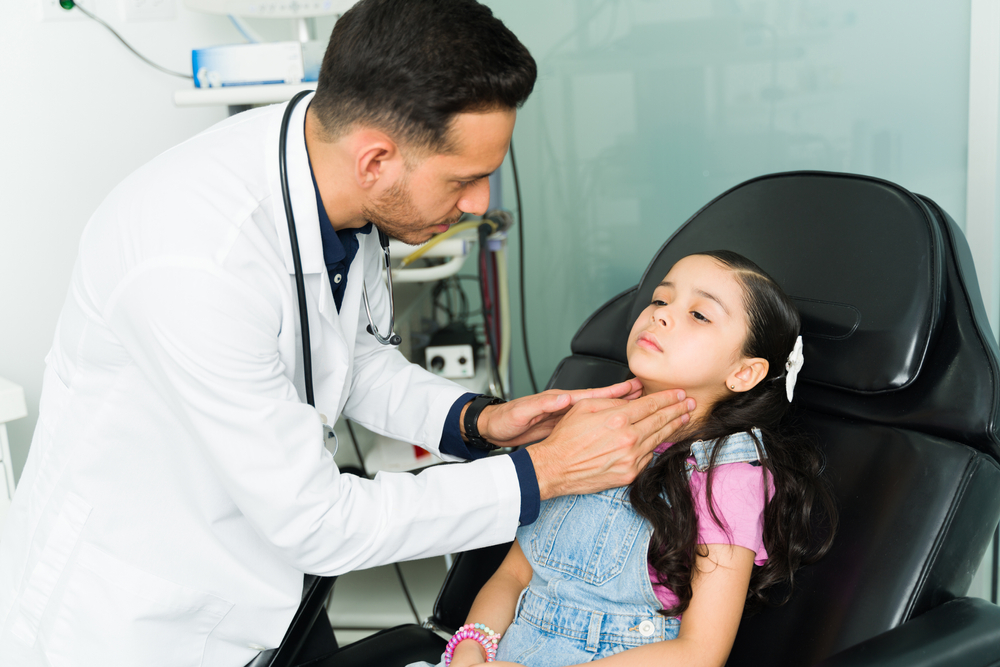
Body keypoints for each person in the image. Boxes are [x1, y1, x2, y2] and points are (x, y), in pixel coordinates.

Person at [0, 2, 697, 666]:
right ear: (377, 161)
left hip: (267, 594)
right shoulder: (193, 263)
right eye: (466, 179)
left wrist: (476, 422)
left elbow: (343, 352)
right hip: (141, 623)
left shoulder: (331, 170)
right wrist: (545, 472)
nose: (482, 204)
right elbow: (318, 520)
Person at [430, 251, 837, 667]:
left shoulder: (728, 476)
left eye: (699, 315)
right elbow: (515, 575)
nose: (660, 315)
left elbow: (699, 653)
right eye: (661, 300)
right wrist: (471, 647)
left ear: (743, 373)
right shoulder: (583, 432)